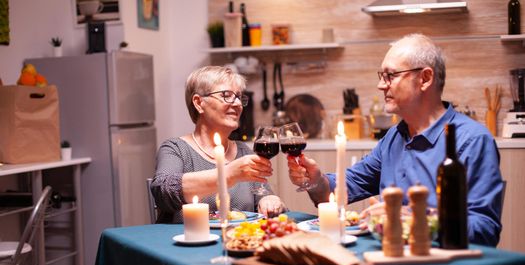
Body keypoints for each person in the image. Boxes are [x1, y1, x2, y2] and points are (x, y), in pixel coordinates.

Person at [286, 33, 503, 246]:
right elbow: (346, 187)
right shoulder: (395, 136)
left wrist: (413, 217)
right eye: (381, 76)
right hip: (390, 254)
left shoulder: (472, 141)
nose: (381, 85)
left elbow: (484, 229)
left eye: (391, 75)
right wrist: (315, 181)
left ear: (425, 79)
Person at [151, 66, 286, 223]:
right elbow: (164, 191)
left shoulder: (243, 151)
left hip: (237, 242)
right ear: (199, 103)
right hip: (187, 244)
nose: (237, 104)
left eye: (239, 97)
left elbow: (263, 195)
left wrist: (270, 200)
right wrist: (228, 174)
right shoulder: (175, 149)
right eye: (226, 95)